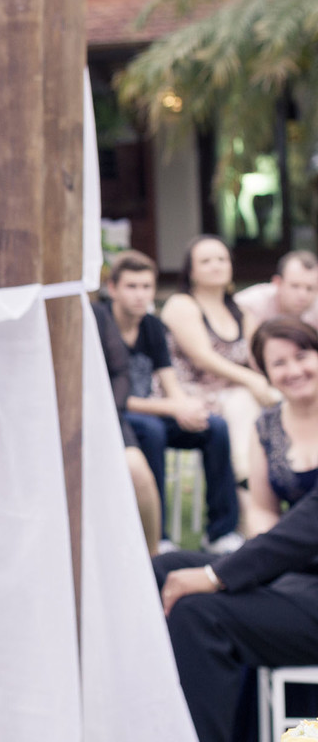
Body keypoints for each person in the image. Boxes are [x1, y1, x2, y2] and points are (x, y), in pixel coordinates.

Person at [155, 317, 318, 742]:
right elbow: (265, 513)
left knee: (198, 611)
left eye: (303, 355)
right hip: (293, 571)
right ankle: (144, 711)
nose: (294, 369)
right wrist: (253, 567)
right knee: (163, 567)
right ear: (265, 374)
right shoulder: (268, 425)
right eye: (279, 363)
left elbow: (307, 524)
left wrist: (218, 576)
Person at [105, 250, 242, 553]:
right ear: (112, 288)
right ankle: (160, 535)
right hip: (118, 415)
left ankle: (221, 532)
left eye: (146, 287)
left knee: (214, 426)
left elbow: (168, 380)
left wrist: (187, 408)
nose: (140, 296)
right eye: (132, 287)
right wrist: (172, 407)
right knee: (152, 431)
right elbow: (113, 398)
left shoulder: (152, 326)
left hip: (153, 409)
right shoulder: (102, 325)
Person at [161, 235, 279, 489]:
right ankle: (247, 483)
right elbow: (202, 358)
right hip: (190, 393)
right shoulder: (181, 305)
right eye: (206, 261)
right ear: (191, 271)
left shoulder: (240, 311)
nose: (216, 265)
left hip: (238, 390)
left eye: (222, 259)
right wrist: (252, 380)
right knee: (242, 401)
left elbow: (260, 357)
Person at [91, 298, 161, 556]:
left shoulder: (95, 314)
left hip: (102, 415)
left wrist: (108, 410)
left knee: (137, 472)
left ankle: (152, 557)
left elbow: (120, 370)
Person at [234, 249, 318, 340]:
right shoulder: (251, 303)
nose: (303, 295)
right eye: (295, 286)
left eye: (310, 288)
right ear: (277, 283)